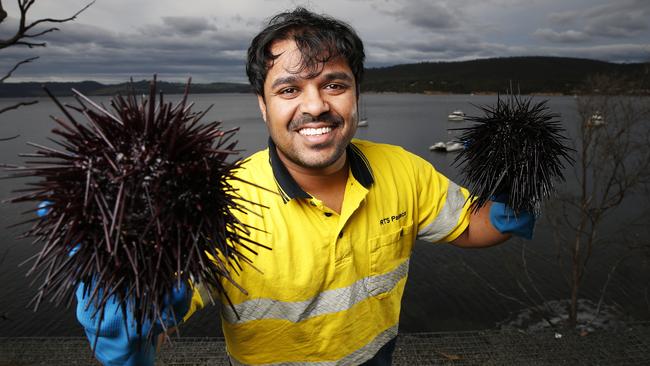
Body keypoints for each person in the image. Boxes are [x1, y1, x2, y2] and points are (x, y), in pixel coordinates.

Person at [76, 7, 534, 365]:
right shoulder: (220, 201)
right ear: (263, 106)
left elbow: (469, 227)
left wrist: (509, 204)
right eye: (289, 89)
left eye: (334, 84)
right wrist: (134, 306)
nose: (315, 106)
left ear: (357, 94)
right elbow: (166, 300)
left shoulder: (404, 169)